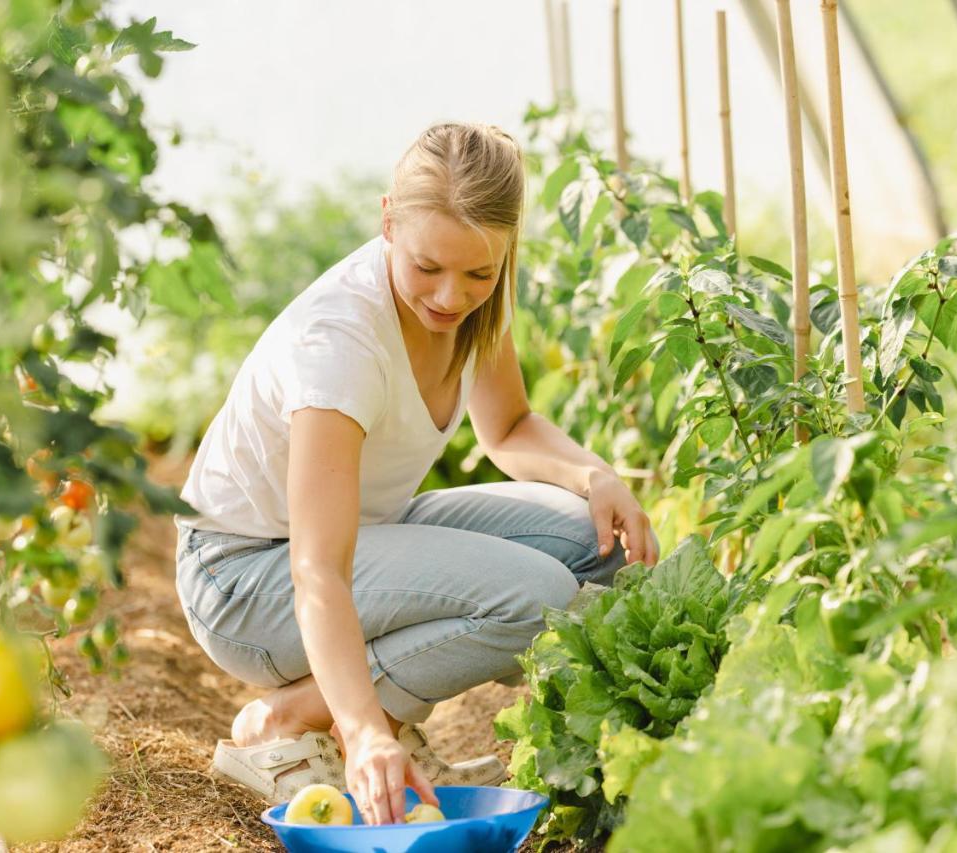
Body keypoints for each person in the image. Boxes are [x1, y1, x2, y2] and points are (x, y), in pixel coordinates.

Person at [171, 122, 660, 826]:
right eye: (428, 267)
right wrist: (365, 727)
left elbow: (511, 427)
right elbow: (319, 570)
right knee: (537, 598)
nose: (451, 296)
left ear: (505, 250)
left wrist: (595, 476)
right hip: (245, 577)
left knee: (600, 542)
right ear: (388, 222)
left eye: (479, 273)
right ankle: (294, 717)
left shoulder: (476, 302)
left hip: (363, 534)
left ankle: (344, 708)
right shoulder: (339, 345)